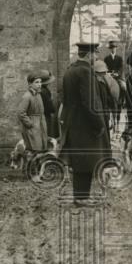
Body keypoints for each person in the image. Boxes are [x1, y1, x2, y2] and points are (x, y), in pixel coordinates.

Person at [60, 42, 111, 204]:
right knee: (87, 160)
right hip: (86, 124)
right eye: (95, 54)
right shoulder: (85, 72)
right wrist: (99, 124)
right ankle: (81, 197)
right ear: (89, 55)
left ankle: (81, 196)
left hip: (73, 122)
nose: (96, 57)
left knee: (80, 161)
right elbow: (90, 102)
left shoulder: (70, 70)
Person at [18, 73, 49, 164]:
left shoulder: (38, 95)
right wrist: (30, 124)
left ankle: (35, 170)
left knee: (39, 150)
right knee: (33, 149)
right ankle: (29, 171)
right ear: (30, 84)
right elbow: (20, 113)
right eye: (36, 82)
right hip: (32, 127)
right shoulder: (27, 96)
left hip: (40, 125)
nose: (39, 84)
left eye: (40, 82)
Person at [38, 69, 58, 140]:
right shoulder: (45, 92)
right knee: (47, 135)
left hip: (40, 116)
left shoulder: (39, 90)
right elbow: (49, 106)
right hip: (46, 116)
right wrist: (53, 109)